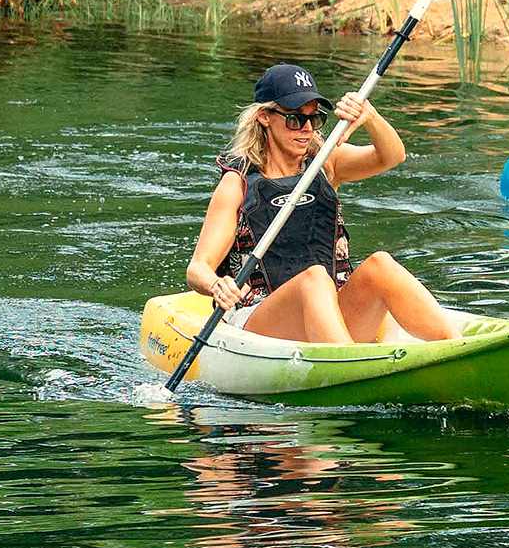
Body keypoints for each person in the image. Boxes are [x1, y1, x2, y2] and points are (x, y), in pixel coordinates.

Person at [185, 63, 461, 346]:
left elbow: (391, 156)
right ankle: (349, 367)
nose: (305, 129)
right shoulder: (237, 184)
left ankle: (454, 347)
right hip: (259, 321)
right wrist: (217, 285)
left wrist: (371, 117)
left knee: (380, 264)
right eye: (294, 119)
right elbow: (198, 269)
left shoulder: (325, 162)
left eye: (314, 119)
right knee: (314, 280)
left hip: (327, 313)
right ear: (264, 117)